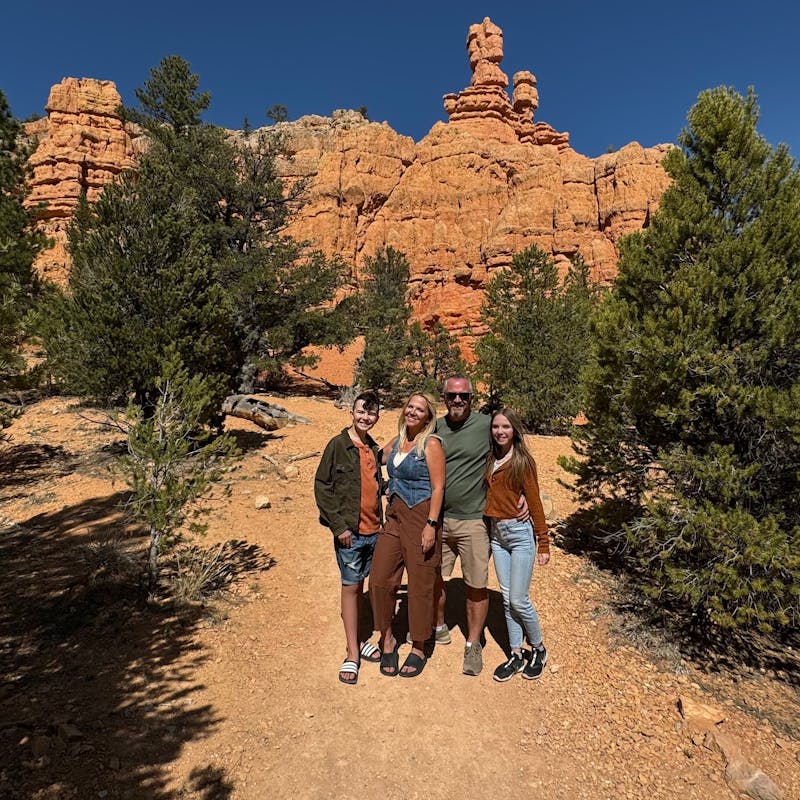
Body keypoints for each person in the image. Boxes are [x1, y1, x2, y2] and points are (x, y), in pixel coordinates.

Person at [434, 375, 529, 676]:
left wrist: (522, 491)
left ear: (472, 399)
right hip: (438, 518)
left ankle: (473, 644)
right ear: (444, 397)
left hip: (474, 520)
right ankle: (436, 626)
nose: (458, 401)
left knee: (476, 585)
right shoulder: (434, 426)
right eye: (452, 395)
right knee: (435, 578)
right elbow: (405, 441)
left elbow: (513, 448)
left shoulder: (485, 425)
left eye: (464, 396)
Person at [369, 393, 445, 678]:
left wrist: (431, 524)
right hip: (395, 514)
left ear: (428, 417)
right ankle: (386, 637)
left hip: (421, 514)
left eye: (420, 409)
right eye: (410, 407)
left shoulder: (432, 444)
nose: (413, 412)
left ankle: (418, 645)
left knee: (420, 582)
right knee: (379, 578)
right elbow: (377, 456)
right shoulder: (399, 439)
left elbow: (438, 488)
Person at [314, 391, 384, 685]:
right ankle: (352, 653)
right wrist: (339, 527)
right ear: (351, 412)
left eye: (371, 413)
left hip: (374, 531)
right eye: (361, 412)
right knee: (351, 587)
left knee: (363, 585)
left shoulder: (374, 448)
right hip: (350, 533)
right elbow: (322, 486)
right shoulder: (338, 445)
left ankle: (358, 638)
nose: (365, 417)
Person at [484, 408, 550, 682]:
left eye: (506, 427)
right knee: (507, 598)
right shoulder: (490, 458)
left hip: (520, 535)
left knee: (518, 599)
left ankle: (538, 648)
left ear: (515, 431)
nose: (500, 432)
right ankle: (515, 653)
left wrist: (543, 542)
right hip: (497, 535)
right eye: (496, 427)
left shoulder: (523, 461)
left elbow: (533, 501)